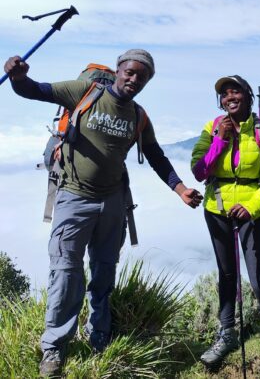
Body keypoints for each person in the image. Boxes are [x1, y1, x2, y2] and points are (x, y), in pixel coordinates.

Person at [3, 49, 203, 377]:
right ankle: (53, 348)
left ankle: (100, 335)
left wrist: (180, 189)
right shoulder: (85, 92)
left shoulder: (138, 115)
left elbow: (155, 156)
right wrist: (18, 76)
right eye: (130, 72)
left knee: (104, 272)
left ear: (146, 81)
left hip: (113, 202)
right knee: (66, 274)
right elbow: (34, 90)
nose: (134, 79)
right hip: (72, 197)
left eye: (142, 76)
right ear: (118, 70)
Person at [191, 75, 260, 365]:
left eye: (235, 92)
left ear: (247, 96)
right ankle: (227, 333)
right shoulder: (211, 129)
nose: (229, 97)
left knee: (259, 274)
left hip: (251, 212)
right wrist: (219, 140)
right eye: (224, 94)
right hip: (216, 208)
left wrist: (252, 208)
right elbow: (199, 171)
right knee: (227, 274)